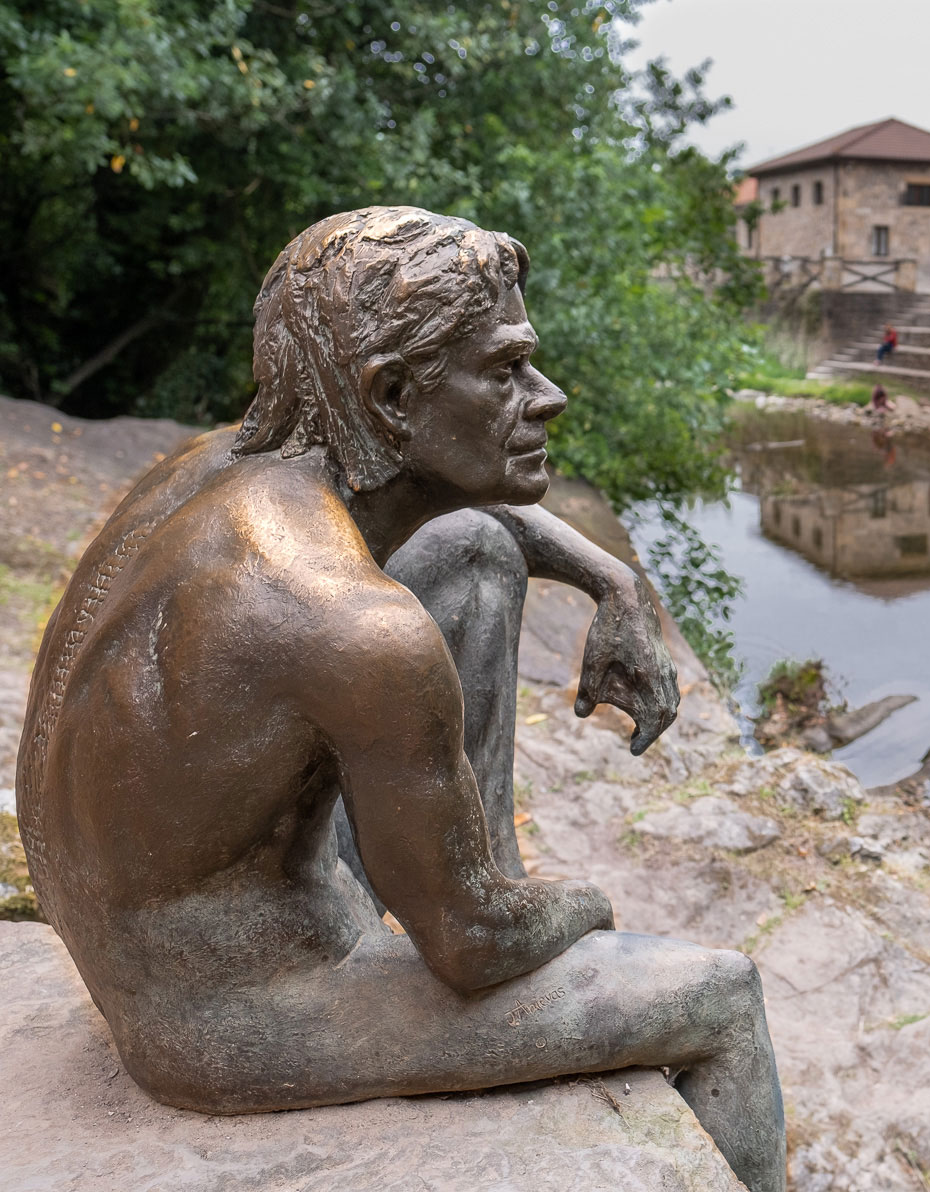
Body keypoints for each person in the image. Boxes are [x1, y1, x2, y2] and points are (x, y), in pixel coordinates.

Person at [14, 207, 784, 1192]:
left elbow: (472, 508)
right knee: (721, 995)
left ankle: (460, 866)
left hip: (144, 928)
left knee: (472, 548)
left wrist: (610, 580)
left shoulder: (223, 465)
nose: (547, 397)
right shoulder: (359, 628)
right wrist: (583, 908)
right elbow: (470, 953)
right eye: (504, 372)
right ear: (389, 397)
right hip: (222, 1015)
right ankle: (470, 880)